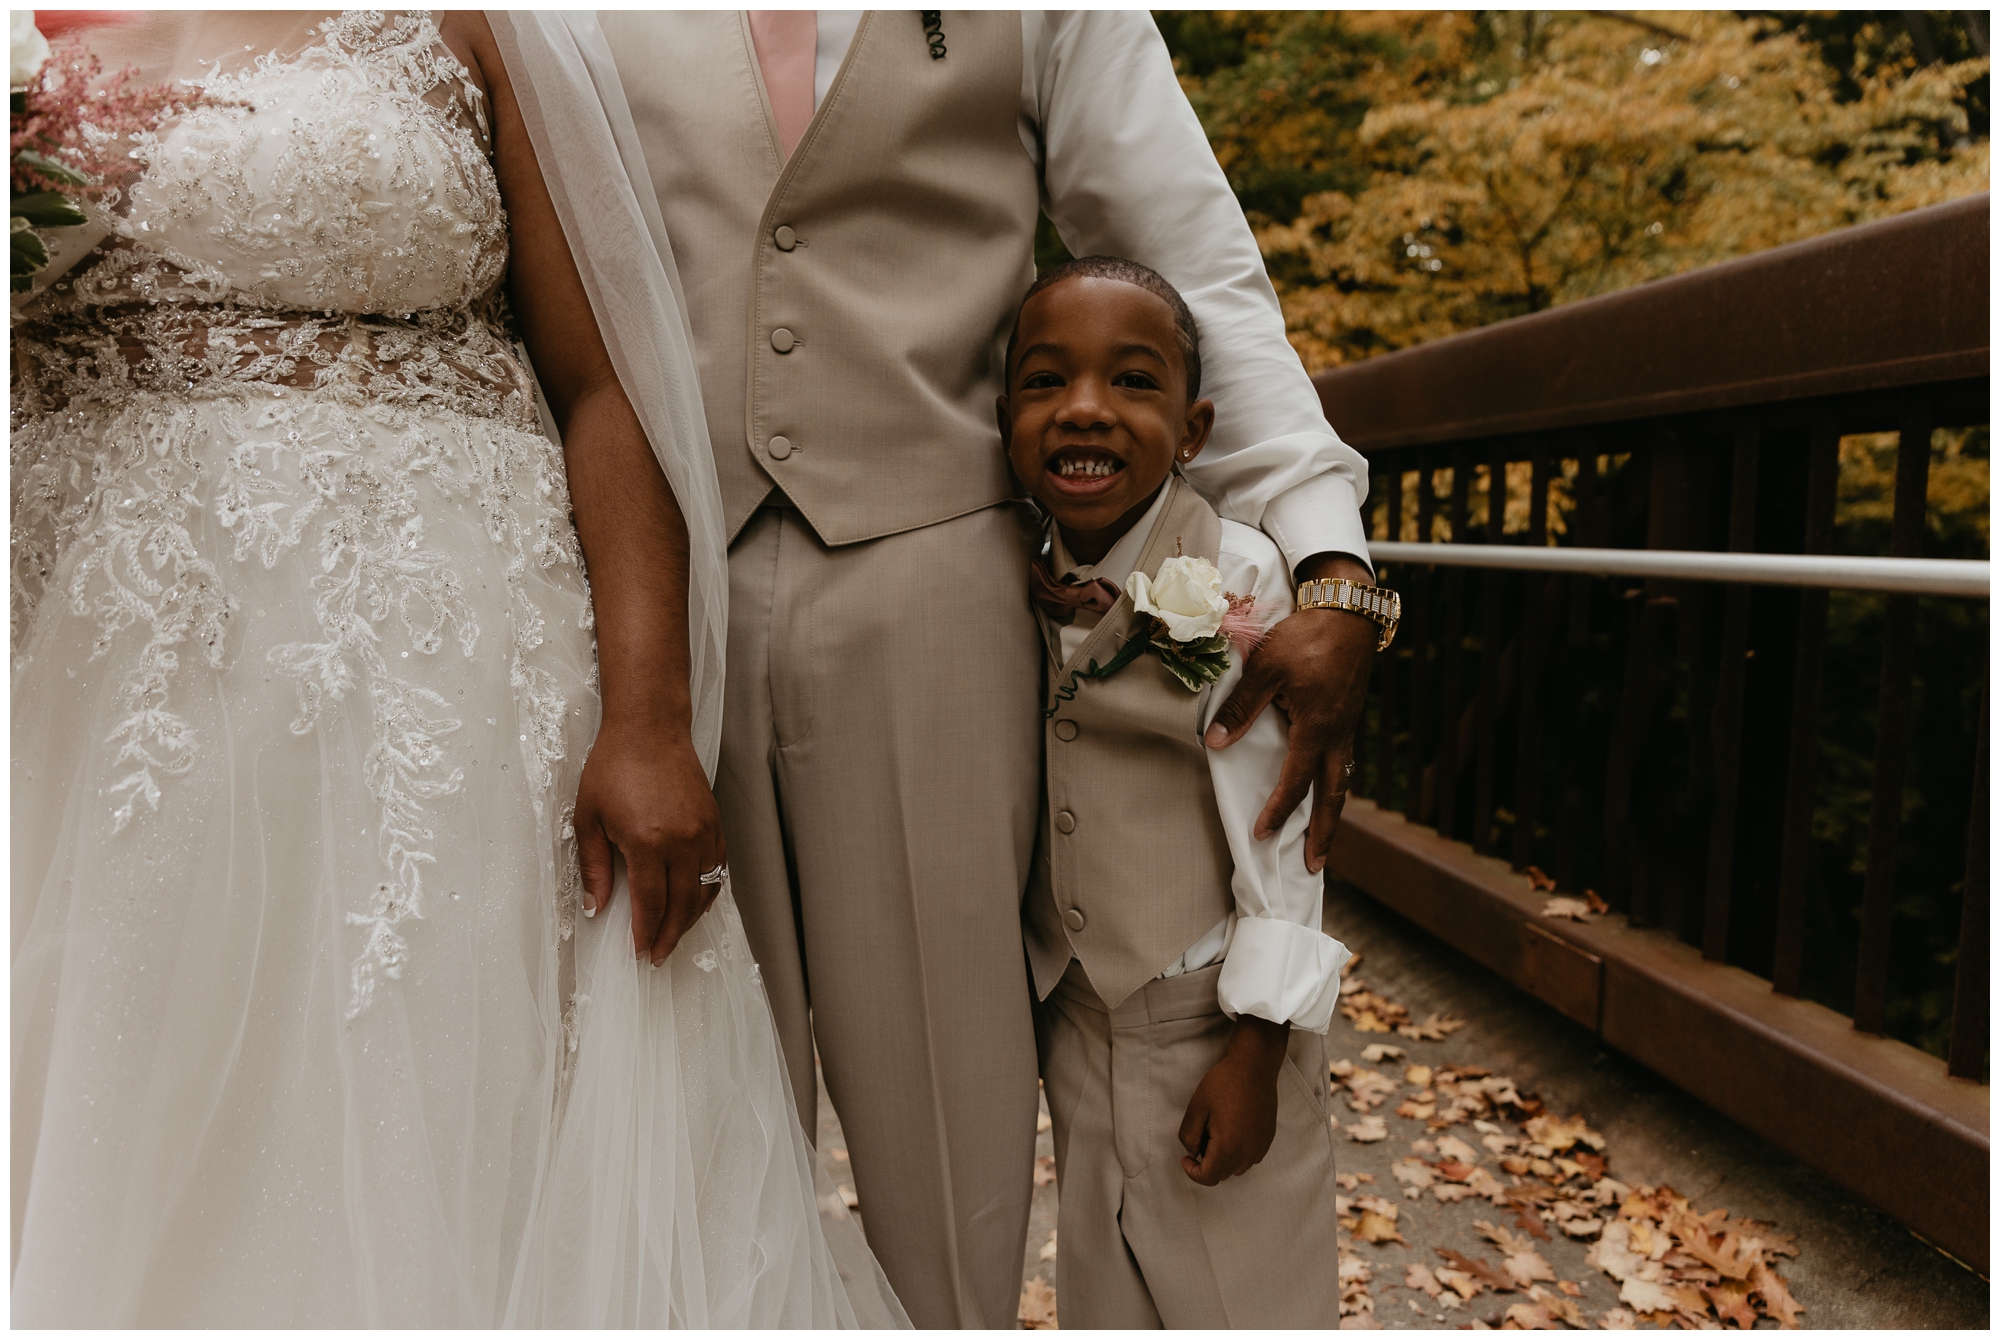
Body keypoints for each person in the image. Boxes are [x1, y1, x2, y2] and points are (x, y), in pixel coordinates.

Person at [10, 10, 901, 1327]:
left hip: (453, 686)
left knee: (437, 1107)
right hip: (99, 689)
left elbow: (605, 384)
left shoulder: (471, 21)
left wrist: (649, 720)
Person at [597, 12, 1383, 1324]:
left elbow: (1202, 280)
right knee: (689, 1101)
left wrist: (1329, 560)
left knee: (944, 1110)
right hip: (656, 597)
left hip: (941, 603)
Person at [1002, 257, 1367, 1327]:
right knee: (1105, 1287)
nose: (1083, 409)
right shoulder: (1011, 565)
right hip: (1078, 1006)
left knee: (1242, 1290)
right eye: (1043, 381)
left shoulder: (1238, 577)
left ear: (1194, 427)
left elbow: (1282, 827)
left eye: (1131, 382)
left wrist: (1259, 1042)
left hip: (1207, 1015)